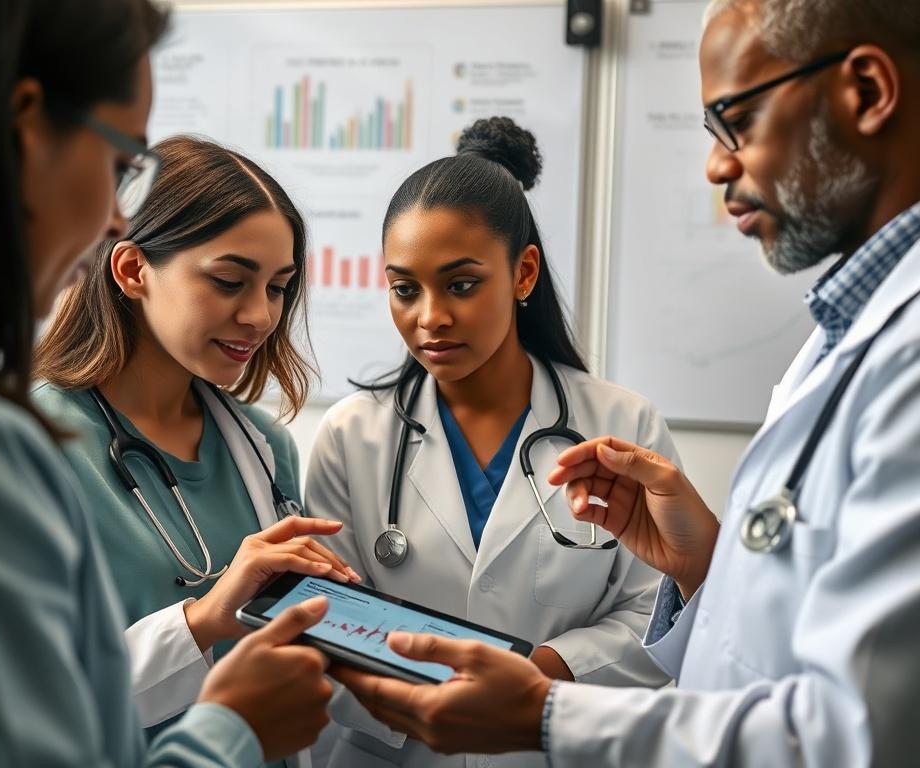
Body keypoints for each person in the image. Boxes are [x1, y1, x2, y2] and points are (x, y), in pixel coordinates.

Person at [331, 0, 920, 765]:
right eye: (403, 287)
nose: (715, 166)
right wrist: (708, 566)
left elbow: (857, 730)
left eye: (734, 121)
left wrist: (544, 702)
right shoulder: (843, 339)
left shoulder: (625, 417)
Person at [0, 1, 332, 765]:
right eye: (121, 166)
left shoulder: (261, 446)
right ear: (28, 127)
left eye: (280, 287)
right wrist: (230, 723)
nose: (110, 219)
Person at [306, 117, 679, 767]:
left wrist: (538, 675)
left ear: (523, 273)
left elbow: (654, 612)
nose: (430, 318)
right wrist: (420, 699)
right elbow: (322, 616)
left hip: (551, 745)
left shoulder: (624, 425)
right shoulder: (351, 436)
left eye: (461, 284)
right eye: (404, 289)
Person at [32, 135, 358, 765]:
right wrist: (203, 619)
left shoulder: (265, 448)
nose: (261, 316)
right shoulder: (36, 447)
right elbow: (27, 696)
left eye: (278, 287)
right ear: (131, 270)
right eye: (231, 280)